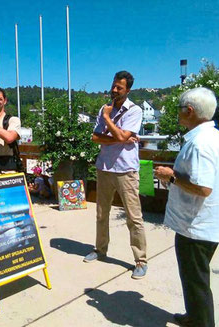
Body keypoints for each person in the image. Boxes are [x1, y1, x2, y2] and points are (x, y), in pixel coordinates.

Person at [154, 87, 219, 327]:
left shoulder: (201, 143)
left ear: (189, 111)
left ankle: (201, 322)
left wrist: (171, 176)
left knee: (196, 282)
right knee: (192, 279)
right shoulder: (214, 136)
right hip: (200, 225)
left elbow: (203, 188)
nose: (177, 114)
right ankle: (194, 317)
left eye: (179, 110)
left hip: (197, 228)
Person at [84, 71, 147, 280]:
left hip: (126, 170)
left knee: (133, 216)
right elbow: (95, 137)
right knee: (101, 214)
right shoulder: (106, 108)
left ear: (127, 90)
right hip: (104, 168)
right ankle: (100, 250)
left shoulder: (134, 110)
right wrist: (118, 136)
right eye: (113, 86)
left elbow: (120, 135)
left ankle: (140, 260)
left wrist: (106, 119)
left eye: (119, 88)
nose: (114, 90)